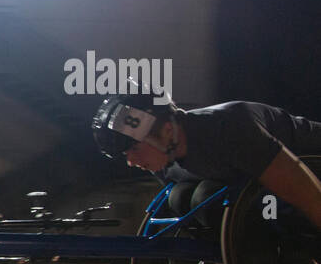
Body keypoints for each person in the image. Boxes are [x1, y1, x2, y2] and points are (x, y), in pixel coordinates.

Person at [92, 94, 321, 233]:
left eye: (133, 148)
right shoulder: (164, 161)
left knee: (206, 197)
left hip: (307, 158)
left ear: (167, 131)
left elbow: (302, 188)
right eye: (124, 155)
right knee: (187, 197)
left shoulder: (228, 129)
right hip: (264, 185)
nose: (131, 162)